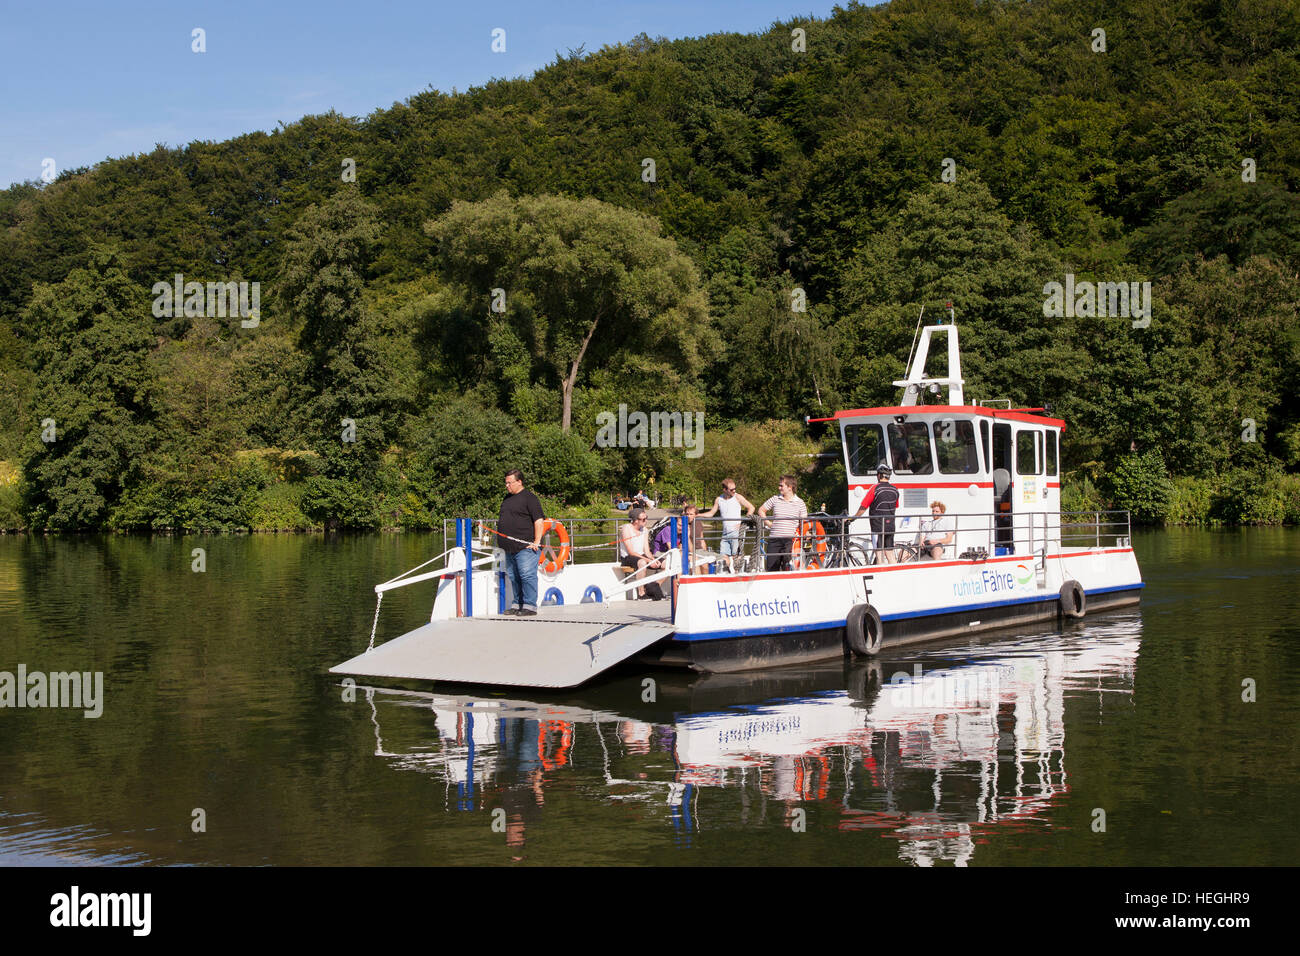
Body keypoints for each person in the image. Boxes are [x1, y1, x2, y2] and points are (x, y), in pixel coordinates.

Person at [498, 469, 544, 615]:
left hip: (526, 547)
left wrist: (537, 541)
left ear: (519, 482)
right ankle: (517, 604)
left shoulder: (530, 498)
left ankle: (530, 606)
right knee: (514, 577)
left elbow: (539, 520)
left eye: (509, 483)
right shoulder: (507, 498)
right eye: (505, 483)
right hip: (509, 548)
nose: (507, 485)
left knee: (527, 576)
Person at [700, 479, 755, 571]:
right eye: (731, 489)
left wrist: (743, 522)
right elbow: (711, 513)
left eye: (735, 489)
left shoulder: (738, 497)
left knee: (736, 556)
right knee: (723, 556)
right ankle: (726, 575)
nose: (734, 491)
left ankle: (738, 576)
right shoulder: (719, 499)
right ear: (724, 490)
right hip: (725, 533)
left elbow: (751, 507)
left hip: (736, 532)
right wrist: (698, 515)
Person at [758, 475, 808, 572]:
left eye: (781, 486)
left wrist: (806, 533)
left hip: (790, 541)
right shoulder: (775, 499)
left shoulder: (800, 503)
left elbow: (804, 522)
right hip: (774, 539)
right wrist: (769, 524)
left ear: (790, 487)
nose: (779, 488)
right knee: (771, 569)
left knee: (789, 568)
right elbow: (761, 510)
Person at [853, 465, 900, 564]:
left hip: (878, 526)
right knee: (890, 554)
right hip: (891, 526)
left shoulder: (875, 488)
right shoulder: (895, 490)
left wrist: (853, 518)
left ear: (879, 475)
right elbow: (895, 506)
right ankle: (896, 576)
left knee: (879, 555)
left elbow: (863, 507)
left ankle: (881, 578)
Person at [619, 508, 665, 599]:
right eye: (644, 519)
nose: (646, 521)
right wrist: (648, 560)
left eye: (646, 518)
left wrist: (653, 560)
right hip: (628, 557)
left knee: (667, 563)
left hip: (641, 555)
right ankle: (641, 593)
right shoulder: (626, 528)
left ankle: (654, 586)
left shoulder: (644, 530)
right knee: (642, 563)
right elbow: (631, 551)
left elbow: (647, 551)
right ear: (636, 521)